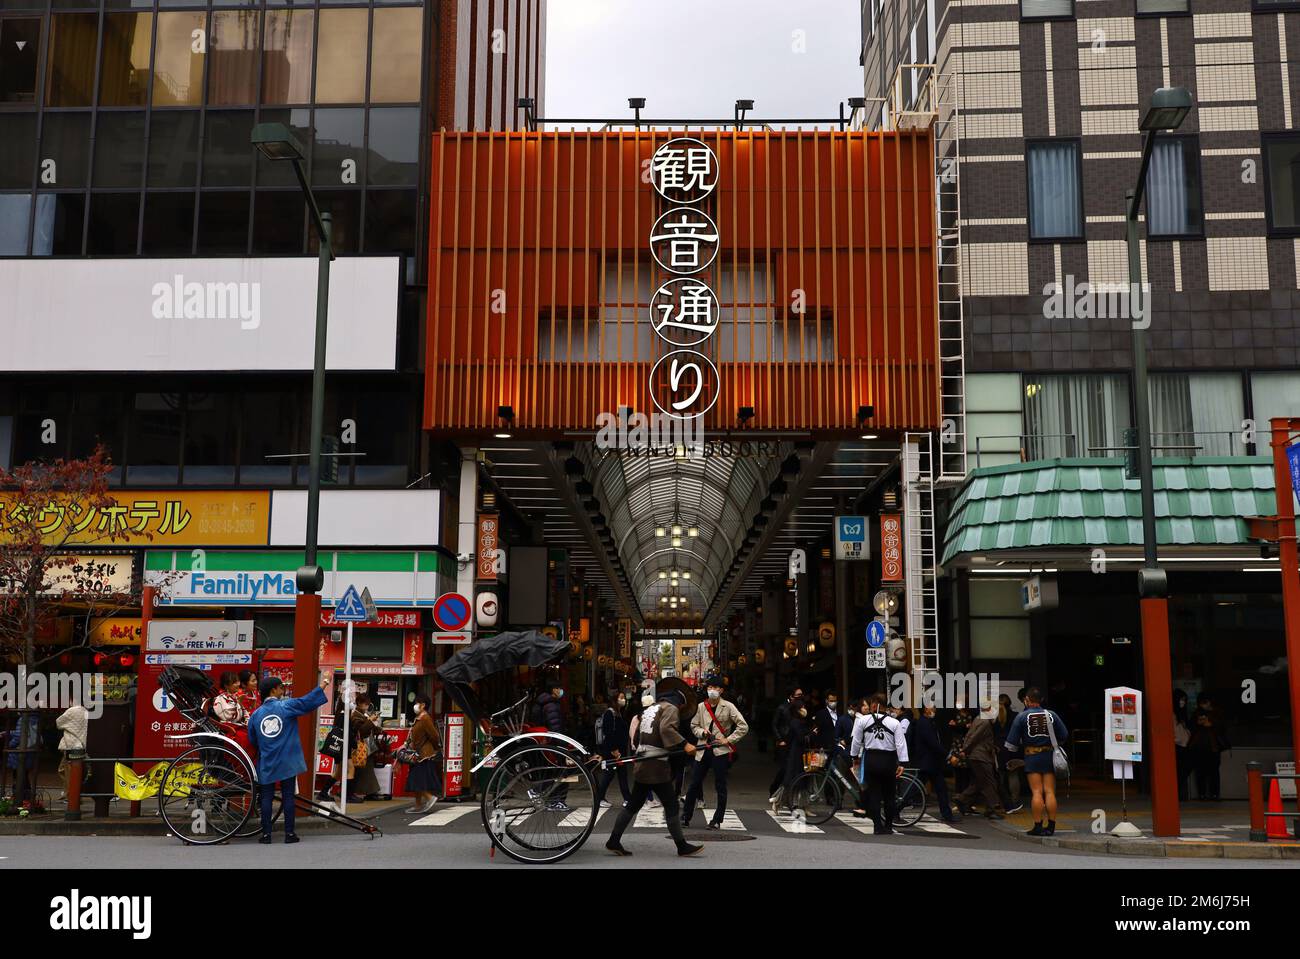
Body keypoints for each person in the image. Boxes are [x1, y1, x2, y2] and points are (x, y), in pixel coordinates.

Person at [604, 688, 704, 858]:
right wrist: (685, 745)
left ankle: (614, 840)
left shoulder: (651, 709)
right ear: (678, 703)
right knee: (671, 804)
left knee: (634, 804)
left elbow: (636, 737)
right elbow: (666, 730)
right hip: (655, 765)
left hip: (643, 761)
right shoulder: (670, 709)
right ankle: (681, 846)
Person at [249, 675, 330, 844]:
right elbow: (306, 702)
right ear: (273, 690)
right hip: (287, 760)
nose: (282, 691)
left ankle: (266, 835)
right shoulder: (285, 706)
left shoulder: (255, 715)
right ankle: (289, 834)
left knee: (266, 798)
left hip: (267, 761)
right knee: (288, 796)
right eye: (280, 688)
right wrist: (324, 684)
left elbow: (253, 740)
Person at [681, 675, 749, 829]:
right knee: (694, 784)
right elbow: (693, 725)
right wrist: (701, 733)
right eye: (709, 688)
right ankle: (685, 816)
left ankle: (717, 820)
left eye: (715, 688)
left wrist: (729, 740)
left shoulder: (729, 706)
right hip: (703, 749)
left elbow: (743, 726)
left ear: (721, 690)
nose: (712, 691)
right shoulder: (701, 706)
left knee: (720, 785)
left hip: (720, 751)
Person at [1003, 686, 1068, 836]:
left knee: (1037, 792)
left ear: (1026, 700)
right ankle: (1051, 826)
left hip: (1032, 756)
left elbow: (1011, 744)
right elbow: (1064, 735)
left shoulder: (1021, 717)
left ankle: (1038, 826)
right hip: (1049, 756)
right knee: (1050, 792)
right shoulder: (1051, 714)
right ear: (1041, 700)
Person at [850, 693, 909, 834]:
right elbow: (901, 744)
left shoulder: (863, 721)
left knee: (874, 794)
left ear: (875, 705)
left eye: (871, 704)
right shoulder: (894, 723)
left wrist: (854, 757)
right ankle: (888, 826)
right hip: (888, 760)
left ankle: (877, 826)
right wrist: (902, 763)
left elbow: (856, 741)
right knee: (889, 794)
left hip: (871, 758)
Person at [952, 706, 1008, 819]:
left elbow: (972, 736)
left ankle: (962, 799)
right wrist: (964, 750)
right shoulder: (985, 722)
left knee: (979, 782)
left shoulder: (978, 718)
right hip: (981, 756)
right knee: (989, 782)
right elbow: (973, 738)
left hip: (978, 755)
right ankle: (991, 809)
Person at [911, 705, 958, 822]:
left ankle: (947, 814)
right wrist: (948, 756)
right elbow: (933, 743)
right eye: (932, 707)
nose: (935, 709)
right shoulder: (924, 723)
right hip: (928, 762)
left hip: (931, 762)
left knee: (940, 788)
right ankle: (897, 808)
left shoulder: (928, 722)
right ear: (926, 709)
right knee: (916, 788)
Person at [594, 691, 632, 809]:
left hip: (619, 750)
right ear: (615, 699)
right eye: (621, 697)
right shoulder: (610, 713)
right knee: (610, 774)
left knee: (621, 774)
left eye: (624, 697)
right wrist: (614, 750)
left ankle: (627, 799)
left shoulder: (619, 713)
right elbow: (608, 732)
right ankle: (600, 798)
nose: (623, 699)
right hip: (612, 751)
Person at [405, 693, 442, 813]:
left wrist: (435, 748)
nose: (415, 705)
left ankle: (429, 798)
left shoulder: (425, 718)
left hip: (424, 754)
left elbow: (435, 736)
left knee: (416, 779)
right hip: (418, 753)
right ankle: (418, 804)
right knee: (416, 778)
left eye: (417, 703)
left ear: (423, 705)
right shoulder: (420, 717)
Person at [767, 686, 802, 801]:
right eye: (798, 695)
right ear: (791, 696)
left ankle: (786, 795)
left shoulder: (800, 708)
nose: (800, 697)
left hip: (794, 741)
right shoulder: (782, 708)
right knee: (785, 768)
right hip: (784, 742)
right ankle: (775, 790)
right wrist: (780, 740)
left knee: (791, 769)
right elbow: (774, 724)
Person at [1189, 693, 1226, 801]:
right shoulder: (1196, 714)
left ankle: (1214, 794)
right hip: (1200, 746)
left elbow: (1223, 727)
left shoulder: (1217, 713)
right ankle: (1202, 794)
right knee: (1201, 772)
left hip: (1213, 746)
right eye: (1202, 703)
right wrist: (1198, 723)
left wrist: (1211, 724)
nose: (1204, 705)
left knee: (1213, 771)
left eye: (1205, 702)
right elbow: (1191, 727)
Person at [55, 697, 88, 803]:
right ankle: (68, 794)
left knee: (69, 771)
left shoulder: (71, 711)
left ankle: (72, 796)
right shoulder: (85, 711)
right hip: (80, 744)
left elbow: (58, 723)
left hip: (70, 744)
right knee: (63, 769)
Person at [1173, 689, 1191, 802]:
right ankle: (1177, 794)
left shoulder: (1182, 714)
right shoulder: (1173, 714)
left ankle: (1180, 794)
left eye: (1184, 700)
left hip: (1183, 745)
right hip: (1177, 745)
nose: (1182, 702)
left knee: (1182, 771)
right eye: (1181, 699)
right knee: (1180, 771)